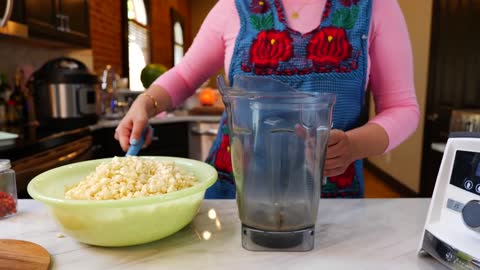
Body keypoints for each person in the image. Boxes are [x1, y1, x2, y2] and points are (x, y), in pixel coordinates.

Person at [114, 0, 420, 199]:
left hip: (328, 199)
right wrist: (147, 102)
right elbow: (184, 77)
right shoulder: (232, 8)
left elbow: (402, 108)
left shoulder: (376, 8)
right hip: (232, 195)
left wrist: (353, 145)